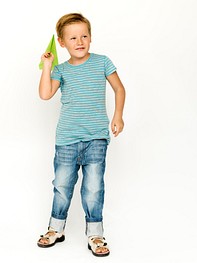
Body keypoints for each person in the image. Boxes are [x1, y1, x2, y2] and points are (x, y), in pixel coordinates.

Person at [37, 13, 125, 257]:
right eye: (73, 37)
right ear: (62, 42)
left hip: (96, 137)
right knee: (62, 185)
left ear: (91, 38)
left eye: (84, 36)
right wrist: (47, 67)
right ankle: (56, 229)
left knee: (93, 187)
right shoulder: (61, 70)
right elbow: (45, 94)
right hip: (67, 139)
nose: (80, 41)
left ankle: (95, 233)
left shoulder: (102, 62)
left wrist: (118, 116)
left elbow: (119, 88)